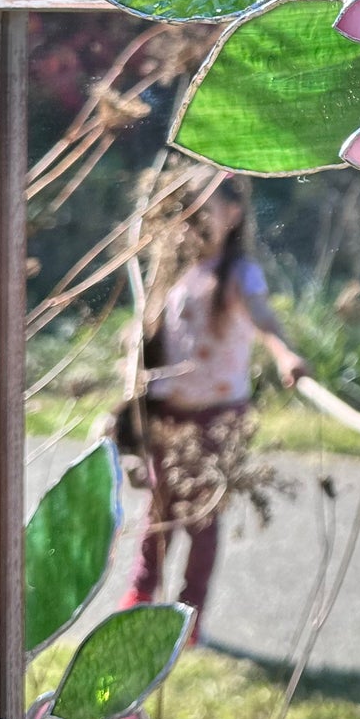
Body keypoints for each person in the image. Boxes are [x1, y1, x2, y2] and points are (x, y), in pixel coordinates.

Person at [122, 183, 307, 639]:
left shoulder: (239, 275)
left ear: (235, 213)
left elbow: (263, 317)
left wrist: (285, 355)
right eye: (192, 209)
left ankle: (188, 618)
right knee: (159, 512)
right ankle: (139, 601)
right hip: (169, 412)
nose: (200, 218)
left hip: (217, 416)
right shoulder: (175, 274)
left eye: (211, 207)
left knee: (202, 518)